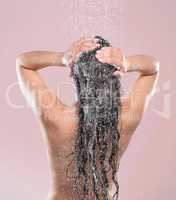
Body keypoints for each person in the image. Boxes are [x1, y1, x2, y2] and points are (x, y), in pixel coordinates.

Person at [16, 35, 160, 200]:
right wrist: (127, 63)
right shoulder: (127, 117)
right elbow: (152, 68)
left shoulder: (57, 117)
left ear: (74, 75)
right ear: (115, 76)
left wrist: (62, 57)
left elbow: (23, 64)